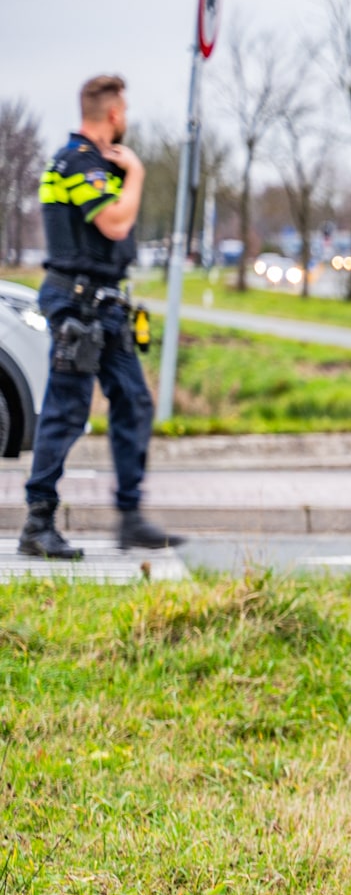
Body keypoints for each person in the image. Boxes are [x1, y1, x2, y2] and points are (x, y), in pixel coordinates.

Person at [18, 74, 183, 560]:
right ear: (113, 114)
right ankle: (38, 522)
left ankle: (130, 518)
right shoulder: (78, 163)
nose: (126, 120)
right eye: (124, 111)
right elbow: (114, 221)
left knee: (133, 402)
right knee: (67, 411)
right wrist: (136, 175)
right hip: (78, 304)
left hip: (105, 307)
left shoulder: (93, 164)